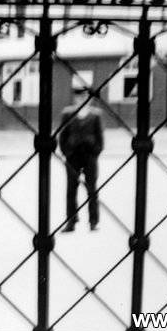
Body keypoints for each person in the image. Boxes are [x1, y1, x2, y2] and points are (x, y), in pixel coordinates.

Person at [59, 86, 104, 232]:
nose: (81, 99)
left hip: (89, 155)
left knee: (92, 188)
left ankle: (93, 221)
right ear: (74, 98)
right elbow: (63, 135)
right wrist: (66, 152)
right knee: (71, 189)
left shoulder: (95, 115)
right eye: (78, 97)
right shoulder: (67, 114)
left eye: (84, 97)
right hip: (73, 156)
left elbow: (100, 136)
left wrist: (96, 151)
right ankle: (71, 221)